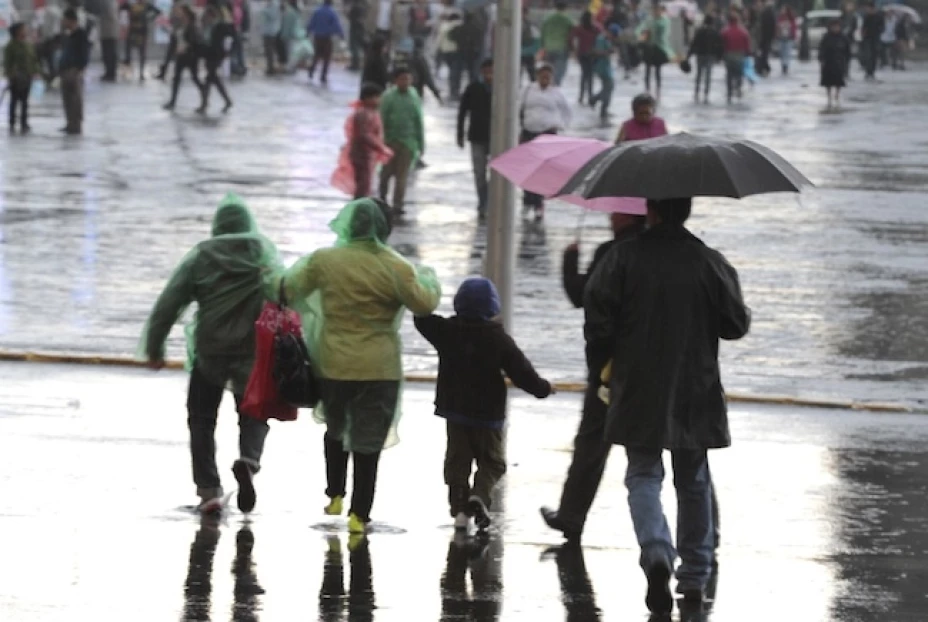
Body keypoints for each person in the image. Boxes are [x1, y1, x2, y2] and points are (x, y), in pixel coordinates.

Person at [584, 197, 750, 615]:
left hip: (637, 384)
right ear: (687, 211)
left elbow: (597, 321)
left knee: (643, 473)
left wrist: (604, 366)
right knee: (693, 480)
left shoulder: (621, 258)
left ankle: (657, 549)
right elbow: (736, 325)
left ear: (651, 210)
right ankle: (694, 576)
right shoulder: (710, 262)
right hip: (695, 385)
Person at [281, 198, 441, 534]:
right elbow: (424, 304)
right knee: (368, 441)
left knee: (336, 427)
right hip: (378, 368)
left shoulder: (324, 261)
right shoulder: (396, 266)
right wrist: (428, 277)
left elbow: (288, 289)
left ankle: (335, 492)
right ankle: (359, 514)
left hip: (333, 363)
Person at [141, 194, 284, 515]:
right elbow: (285, 293)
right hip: (251, 349)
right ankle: (249, 460)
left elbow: (169, 303)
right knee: (254, 411)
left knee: (202, 419)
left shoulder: (203, 255)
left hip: (210, 350)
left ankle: (209, 491)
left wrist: (155, 346)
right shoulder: (262, 252)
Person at [539, 211, 646, 542]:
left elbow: (580, 294)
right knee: (671, 456)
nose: (611, 215)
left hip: (609, 369)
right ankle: (697, 536)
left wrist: (570, 259)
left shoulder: (611, 254)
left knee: (591, 442)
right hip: (655, 366)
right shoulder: (663, 256)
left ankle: (571, 516)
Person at [415, 277, 553, 532]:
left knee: (457, 461)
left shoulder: (445, 331)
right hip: (488, 415)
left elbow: (421, 318)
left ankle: (459, 509)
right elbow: (522, 372)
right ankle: (479, 495)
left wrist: (422, 294)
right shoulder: (498, 338)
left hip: (455, 411)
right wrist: (543, 389)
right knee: (492, 462)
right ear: (493, 306)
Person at [519, 63, 571, 220]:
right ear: (537, 76)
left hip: (548, 135)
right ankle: (527, 200)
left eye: (548, 77)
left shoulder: (557, 93)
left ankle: (538, 203)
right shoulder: (528, 90)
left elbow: (567, 112)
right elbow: (518, 109)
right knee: (528, 169)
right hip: (529, 133)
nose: (545, 80)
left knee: (542, 170)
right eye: (542, 76)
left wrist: (561, 126)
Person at [331, 82, 393, 200]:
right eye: (376, 97)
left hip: (367, 154)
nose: (379, 101)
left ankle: (360, 203)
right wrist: (381, 148)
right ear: (367, 98)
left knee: (365, 183)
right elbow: (364, 135)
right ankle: (359, 205)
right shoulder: (363, 114)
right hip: (362, 154)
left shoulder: (370, 112)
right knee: (363, 184)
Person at [379, 67, 425, 215]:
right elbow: (381, 119)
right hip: (389, 141)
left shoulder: (414, 96)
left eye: (408, 79)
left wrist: (421, 143)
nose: (405, 82)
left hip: (408, 142)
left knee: (402, 176)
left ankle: (398, 204)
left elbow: (418, 120)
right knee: (385, 174)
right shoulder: (388, 97)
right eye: (402, 79)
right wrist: (380, 141)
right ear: (396, 80)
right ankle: (382, 199)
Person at [457, 58, 492, 218]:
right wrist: (460, 134)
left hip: (497, 137)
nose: (489, 74)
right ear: (482, 72)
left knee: (497, 172)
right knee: (479, 172)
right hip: (476, 136)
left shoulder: (503, 87)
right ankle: (482, 201)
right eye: (487, 71)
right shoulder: (473, 88)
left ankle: (489, 199)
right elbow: (462, 112)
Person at [164, 6, 205, 111]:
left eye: (182, 13)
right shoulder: (180, 25)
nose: (180, 14)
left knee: (195, 78)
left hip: (190, 56)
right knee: (176, 79)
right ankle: (172, 101)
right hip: (180, 56)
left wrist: (186, 47)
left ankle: (204, 98)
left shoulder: (192, 26)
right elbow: (175, 38)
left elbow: (194, 41)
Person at [4, 23, 41, 133]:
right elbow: (7, 62)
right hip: (15, 77)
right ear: (17, 31)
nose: (25, 31)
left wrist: (36, 71)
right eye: (23, 29)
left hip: (27, 76)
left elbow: (33, 60)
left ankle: (24, 123)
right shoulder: (11, 46)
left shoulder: (28, 45)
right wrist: (10, 74)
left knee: (24, 101)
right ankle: (12, 122)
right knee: (14, 100)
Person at [199, 3, 234, 114]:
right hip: (209, 54)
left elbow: (229, 37)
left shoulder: (220, 26)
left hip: (216, 55)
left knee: (210, 78)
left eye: (208, 16)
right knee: (213, 79)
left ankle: (205, 103)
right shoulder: (208, 27)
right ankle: (225, 101)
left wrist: (227, 51)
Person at [59, 8, 88, 136]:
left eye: (65, 20)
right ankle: (69, 122)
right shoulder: (68, 35)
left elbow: (84, 53)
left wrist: (79, 68)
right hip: (65, 70)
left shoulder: (81, 34)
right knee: (67, 99)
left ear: (71, 20)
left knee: (75, 99)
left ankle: (76, 124)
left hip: (74, 70)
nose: (63, 22)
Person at [637, 4, 673, 99]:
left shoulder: (664, 21)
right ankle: (647, 88)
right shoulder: (649, 20)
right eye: (655, 10)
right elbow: (641, 31)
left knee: (658, 70)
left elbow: (664, 34)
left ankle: (658, 88)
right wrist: (643, 36)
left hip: (658, 49)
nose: (656, 12)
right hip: (648, 48)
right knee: (647, 70)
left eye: (658, 10)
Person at [120, 0, 161, 81]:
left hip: (142, 32)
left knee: (142, 52)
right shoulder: (131, 5)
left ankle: (141, 73)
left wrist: (148, 18)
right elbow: (121, 8)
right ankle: (127, 71)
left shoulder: (146, 5)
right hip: (133, 31)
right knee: (128, 52)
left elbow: (157, 12)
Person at [686, 15, 723, 103]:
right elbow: (719, 45)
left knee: (699, 74)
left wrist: (689, 55)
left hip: (700, 55)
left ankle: (697, 90)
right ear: (712, 23)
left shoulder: (700, 31)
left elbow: (694, 43)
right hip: (710, 56)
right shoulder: (715, 32)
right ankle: (706, 92)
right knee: (708, 75)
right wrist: (719, 57)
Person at [306, 0, 344, 84]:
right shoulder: (332, 12)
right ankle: (323, 76)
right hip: (327, 38)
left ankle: (311, 70)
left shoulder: (317, 11)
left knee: (316, 55)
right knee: (327, 57)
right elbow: (336, 25)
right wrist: (341, 34)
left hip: (317, 37)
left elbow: (312, 22)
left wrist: (308, 31)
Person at [589, 24, 618, 121]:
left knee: (608, 88)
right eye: (613, 35)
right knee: (608, 88)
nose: (613, 37)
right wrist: (609, 51)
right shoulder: (601, 39)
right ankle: (602, 109)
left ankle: (595, 100)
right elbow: (598, 52)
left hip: (606, 67)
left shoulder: (605, 39)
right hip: (601, 67)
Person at [541, 1, 573, 85]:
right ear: (565, 8)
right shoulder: (568, 19)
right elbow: (573, 33)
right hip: (562, 47)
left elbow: (542, 33)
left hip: (549, 47)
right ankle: (555, 85)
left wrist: (543, 46)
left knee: (549, 68)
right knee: (560, 69)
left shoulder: (547, 18)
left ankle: (549, 83)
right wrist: (572, 48)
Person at [721, 13, 751, 104]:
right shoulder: (743, 31)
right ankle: (738, 89)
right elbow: (747, 43)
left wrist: (721, 54)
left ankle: (729, 92)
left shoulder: (725, 31)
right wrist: (748, 53)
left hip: (728, 54)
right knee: (739, 73)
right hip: (739, 54)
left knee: (729, 74)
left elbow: (721, 43)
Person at [572, 11, 600, 105]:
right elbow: (601, 37)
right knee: (590, 75)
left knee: (584, 74)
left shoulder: (579, 28)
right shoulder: (596, 28)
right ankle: (590, 96)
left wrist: (574, 51)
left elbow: (573, 39)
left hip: (582, 53)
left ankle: (581, 96)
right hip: (592, 54)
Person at [820, 20, 849, 109]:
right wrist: (821, 59)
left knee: (838, 79)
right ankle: (829, 96)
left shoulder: (843, 37)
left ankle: (837, 94)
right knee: (827, 81)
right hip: (828, 61)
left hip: (839, 61)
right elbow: (822, 48)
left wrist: (846, 60)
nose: (835, 28)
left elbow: (847, 50)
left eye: (837, 27)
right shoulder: (826, 37)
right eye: (834, 27)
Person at [156, 1, 184, 80]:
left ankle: (171, 74)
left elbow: (177, 22)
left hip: (177, 36)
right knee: (170, 56)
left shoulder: (178, 9)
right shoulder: (175, 8)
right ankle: (165, 73)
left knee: (174, 57)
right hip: (174, 35)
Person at [410, 38, 442, 103]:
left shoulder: (408, 57)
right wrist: (437, 95)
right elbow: (428, 78)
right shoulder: (420, 58)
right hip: (415, 92)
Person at [860, 2, 883, 80]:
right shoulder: (866, 16)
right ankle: (868, 72)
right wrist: (863, 34)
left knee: (874, 56)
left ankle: (872, 72)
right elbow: (863, 27)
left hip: (876, 39)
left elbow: (882, 27)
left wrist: (879, 31)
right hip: (867, 39)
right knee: (868, 55)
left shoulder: (879, 17)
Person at [97, 0, 119, 82]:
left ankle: (110, 73)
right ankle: (109, 73)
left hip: (109, 32)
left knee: (109, 54)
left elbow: (110, 14)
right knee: (108, 54)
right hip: (109, 31)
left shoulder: (109, 2)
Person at [756, 0, 776, 76]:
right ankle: (764, 67)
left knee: (763, 53)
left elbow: (767, 26)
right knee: (764, 53)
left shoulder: (765, 12)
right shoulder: (768, 12)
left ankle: (763, 67)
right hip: (766, 37)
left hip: (764, 37)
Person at [261, 0, 281, 75]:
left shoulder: (274, 4)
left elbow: (273, 15)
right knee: (268, 51)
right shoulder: (271, 3)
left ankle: (271, 68)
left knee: (270, 51)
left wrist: (264, 10)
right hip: (268, 30)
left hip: (270, 31)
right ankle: (270, 67)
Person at [521, 5, 540, 83]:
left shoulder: (530, 24)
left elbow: (536, 38)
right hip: (519, 52)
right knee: (517, 73)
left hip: (528, 52)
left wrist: (534, 50)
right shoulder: (513, 24)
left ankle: (534, 86)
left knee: (532, 73)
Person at [278, 0, 300, 67]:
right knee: (293, 52)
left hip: (288, 35)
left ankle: (289, 67)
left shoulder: (288, 12)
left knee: (289, 52)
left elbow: (286, 25)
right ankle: (291, 66)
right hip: (295, 34)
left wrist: (283, 35)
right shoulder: (296, 11)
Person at [347, 0, 368, 71]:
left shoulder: (355, 7)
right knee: (362, 46)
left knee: (354, 47)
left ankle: (355, 64)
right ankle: (360, 63)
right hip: (361, 28)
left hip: (354, 28)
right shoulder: (363, 6)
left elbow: (350, 16)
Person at [776, 5, 796, 75]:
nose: (782, 11)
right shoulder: (780, 18)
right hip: (781, 38)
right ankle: (783, 65)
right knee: (782, 53)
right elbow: (777, 27)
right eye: (782, 9)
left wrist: (793, 36)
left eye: (784, 9)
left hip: (789, 38)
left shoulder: (791, 18)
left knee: (787, 53)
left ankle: (786, 66)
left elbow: (794, 27)